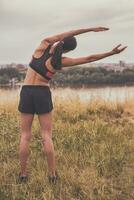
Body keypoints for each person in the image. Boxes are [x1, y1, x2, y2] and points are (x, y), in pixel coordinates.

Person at [18, 27, 127, 183]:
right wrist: (111, 53)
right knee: (46, 136)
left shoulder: (43, 46)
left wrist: (91, 29)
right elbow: (90, 58)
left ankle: (22, 174)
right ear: (67, 50)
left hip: (26, 91)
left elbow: (69, 33)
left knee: (25, 136)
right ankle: (52, 175)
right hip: (42, 93)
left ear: (60, 41)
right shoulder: (60, 61)